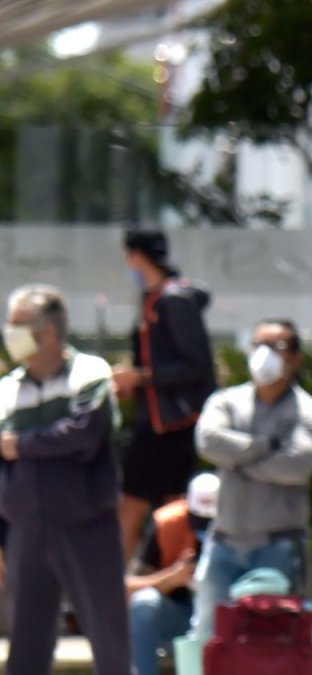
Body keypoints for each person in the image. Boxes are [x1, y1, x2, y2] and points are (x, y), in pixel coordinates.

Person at [0, 284, 131, 674]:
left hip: (85, 524)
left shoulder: (89, 372)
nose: (9, 332)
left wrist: (22, 444)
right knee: (26, 645)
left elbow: (85, 435)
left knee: (108, 637)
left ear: (49, 331)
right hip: (25, 529)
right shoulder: (7, 389)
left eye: (18, 324)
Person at [192, 318, 312, 638]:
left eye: (276, 347)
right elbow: (208, 442)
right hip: (223, 543)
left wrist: (237, 461)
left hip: (277, 546)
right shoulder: (225, 401)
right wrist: (266, 446)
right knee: (209, 637)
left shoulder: (309, 413)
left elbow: (296, 466)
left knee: (271, 639)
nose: (264, 354)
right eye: (258, 345)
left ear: (295, 358)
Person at [115, 227, 217, 562]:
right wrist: (136, 382)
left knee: (136, 502)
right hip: (162, 419)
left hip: (170, 423)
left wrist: (142, 376)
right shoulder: (156, 298)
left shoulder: (173, 301)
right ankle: (168, 576)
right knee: (169, 505)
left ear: (136, 256)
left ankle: (113, 584)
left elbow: (194, 365)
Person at [128, 472, 220, 675]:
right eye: (198, 520)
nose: (204, 529)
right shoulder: (167, 523)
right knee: (144, 602)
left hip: (222, 621)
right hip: (180, 617)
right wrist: (171, 578)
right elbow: (128, 588)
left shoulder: (241, 528)